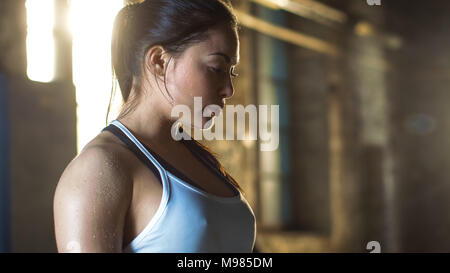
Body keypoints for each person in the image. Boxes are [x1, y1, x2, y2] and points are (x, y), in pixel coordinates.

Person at [53, 0, 256, 253]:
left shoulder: (200, 159)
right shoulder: (98, 169)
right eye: (216, 68)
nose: (228, 89)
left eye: (231, 72)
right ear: (159, 60)